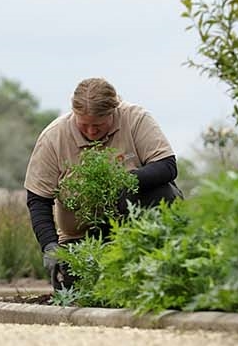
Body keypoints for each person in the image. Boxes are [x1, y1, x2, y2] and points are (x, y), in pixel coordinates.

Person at [24, 78, 182, 289]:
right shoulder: (53, 137)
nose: (91, 131)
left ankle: (163, 260)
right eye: (84, 124)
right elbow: (38, 199)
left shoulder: (136, 119)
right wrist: (50, 246)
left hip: (134, 230)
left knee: (163, 192)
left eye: (98, 125)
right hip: (82, 237)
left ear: (113, 112)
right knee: (80, 287)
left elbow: (167, 166)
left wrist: (123, 182)